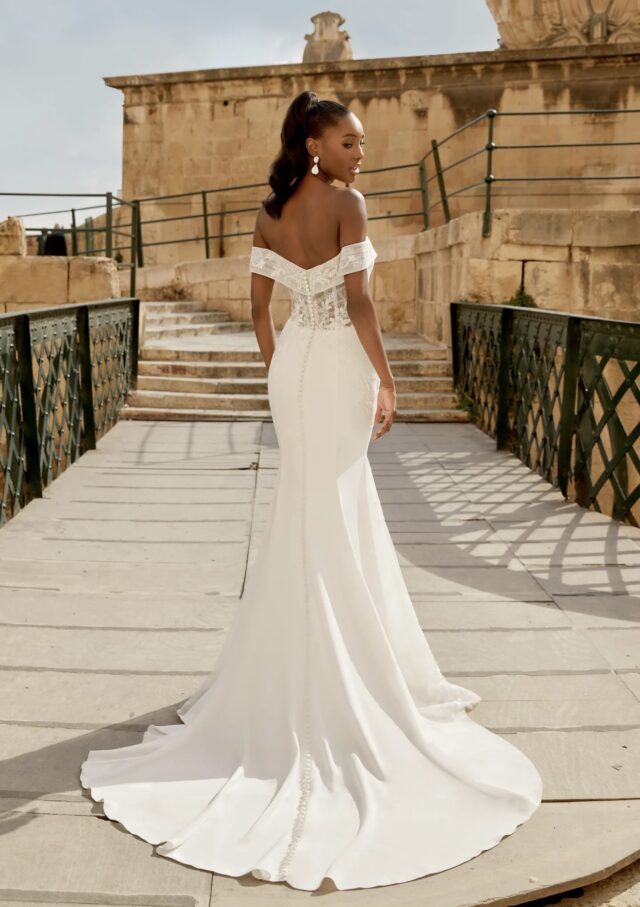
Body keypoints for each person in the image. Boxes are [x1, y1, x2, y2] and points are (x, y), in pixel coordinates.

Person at [79, 90, 543, 892]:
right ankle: (341, 672)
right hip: (333, 365)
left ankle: (306, 660)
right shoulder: (347, 205)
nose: (362, 153)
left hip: (295, 362)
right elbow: (360, 303)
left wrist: (280, 367)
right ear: (316, 144)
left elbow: (261, 309)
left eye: (361, 143)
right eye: (350, 142)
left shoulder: (270, 214)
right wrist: (386, 379)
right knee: (331, 504)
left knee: (309, 508)